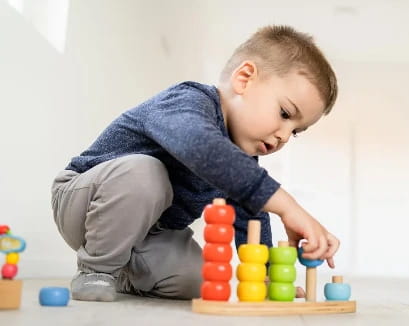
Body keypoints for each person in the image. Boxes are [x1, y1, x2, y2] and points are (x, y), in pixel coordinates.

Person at [51, 25, 340, 302]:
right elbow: (199, 146)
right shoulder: (188, 101)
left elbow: (251, 217)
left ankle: (124, 272)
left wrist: (264, 277)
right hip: (85, 202)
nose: (284, 136)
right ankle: (97, 270)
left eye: (296, 132)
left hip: (151, 234)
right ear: (245, 78)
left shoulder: (241, 162)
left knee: (198, 280)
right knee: (146, 174)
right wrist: (287, 206)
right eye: (285, 114)